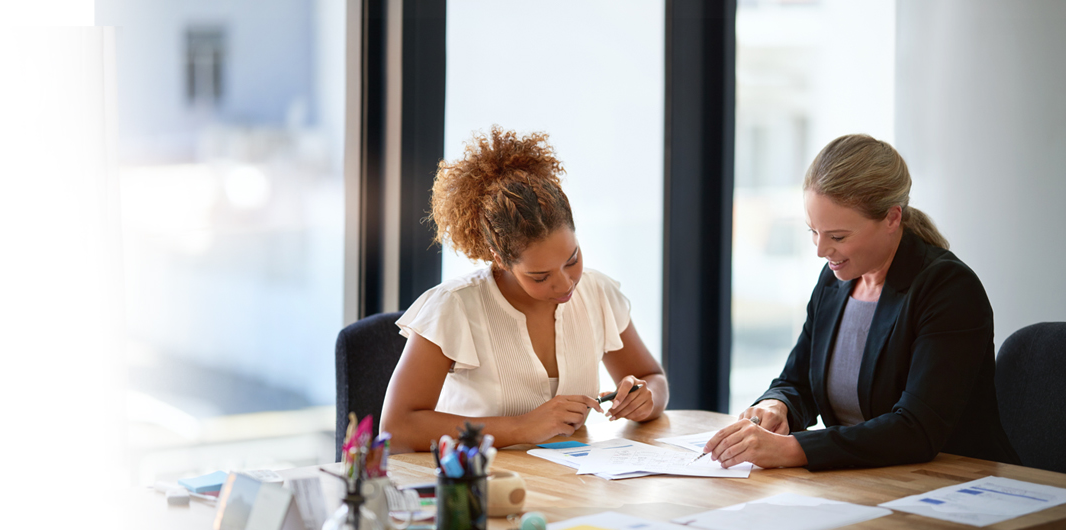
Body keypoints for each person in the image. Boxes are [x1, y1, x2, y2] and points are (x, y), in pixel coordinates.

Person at [703, 134, 1020, 471]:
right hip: (869, 484)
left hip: (957, 487)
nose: (821, 251)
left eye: (837, 236)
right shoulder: (835, 280)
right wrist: (775, 406)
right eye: (813, 231)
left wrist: (792, 449)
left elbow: (916, 430)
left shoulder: (948, 289)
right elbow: (797, 383)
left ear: (892, 218)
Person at [379, 126, 668, 452]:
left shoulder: (596, 293)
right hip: (481, 489)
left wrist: (646, 399)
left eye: (572, 259)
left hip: (571, 488)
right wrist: (521, 427)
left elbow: (651, 376)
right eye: (540, 276)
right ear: (500, 259)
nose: (566, 283)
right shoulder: (454, 308)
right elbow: (398, 428)